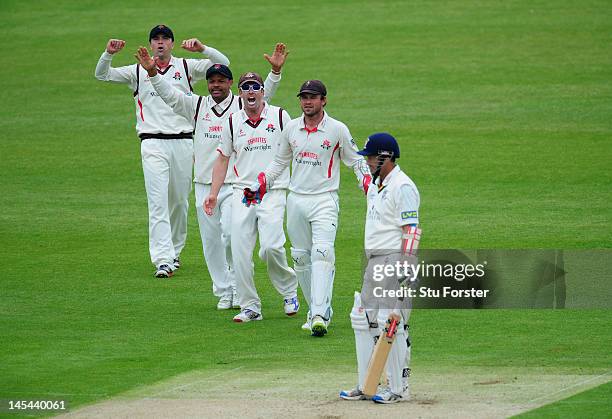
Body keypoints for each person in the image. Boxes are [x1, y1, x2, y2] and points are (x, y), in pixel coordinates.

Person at [134, 44, 288, 309]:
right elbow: (169, 95)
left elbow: (266, 95)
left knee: (230, 235)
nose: (215, 85)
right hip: (204, 184)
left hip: (234, 184)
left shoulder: (242, 104)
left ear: (230, 83)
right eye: (211, 81)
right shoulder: (197, 105)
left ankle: (240, 290)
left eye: (221, 81)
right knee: (211, 243)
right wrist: (152, 73)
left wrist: (274, 72)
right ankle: (224, 291)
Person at [94, 24, 229, 278]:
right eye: (155, 39)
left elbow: (224, 64)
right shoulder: (137, 70)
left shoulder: (186, 67)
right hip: (152, 142)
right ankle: (162, 259)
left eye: (165, 39)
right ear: (151, 43)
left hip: (183, 141)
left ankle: (175, 253)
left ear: (172, 43)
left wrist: (203, 49)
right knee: (157, 203)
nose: (160, 43)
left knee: (178, 201)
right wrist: (108, 53)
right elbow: (102, 75)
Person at [249, 80, 372, 336]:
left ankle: (318, 314)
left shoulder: (337, 129)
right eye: (304, 97)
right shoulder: (292, 128)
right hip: (296, 200)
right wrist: (262, 184)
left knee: (323, 252)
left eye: (313, 97)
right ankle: (316, 309)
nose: (307, 102)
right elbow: (279, 162)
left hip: (325, 199)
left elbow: (356, 162)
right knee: (301, 257)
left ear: (323, 100)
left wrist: (368, 186)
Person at [204, 72, 298, 323]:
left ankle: (289, 292)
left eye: (255, 87)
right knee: (239, 250)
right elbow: (223, 158)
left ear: (263, 91)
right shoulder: (233, 122)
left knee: (270, 247)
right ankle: (249, 306)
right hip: (242, 193)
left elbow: (294, 149)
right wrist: (213, 193)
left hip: (272, 191)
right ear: (240, 93)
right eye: (246, 88)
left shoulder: (279, 116)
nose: (251, 92)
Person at [339, 132, 421, 403]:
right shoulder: (376, 185)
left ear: (386, 157)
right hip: (373, 260)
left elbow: (411, 228)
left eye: (372, 157)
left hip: (393, 259)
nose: (369, 161)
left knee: (392, 323)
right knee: (364, 322)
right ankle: (368, 384)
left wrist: (407, 266)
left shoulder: (403, 187)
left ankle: (399, 389)